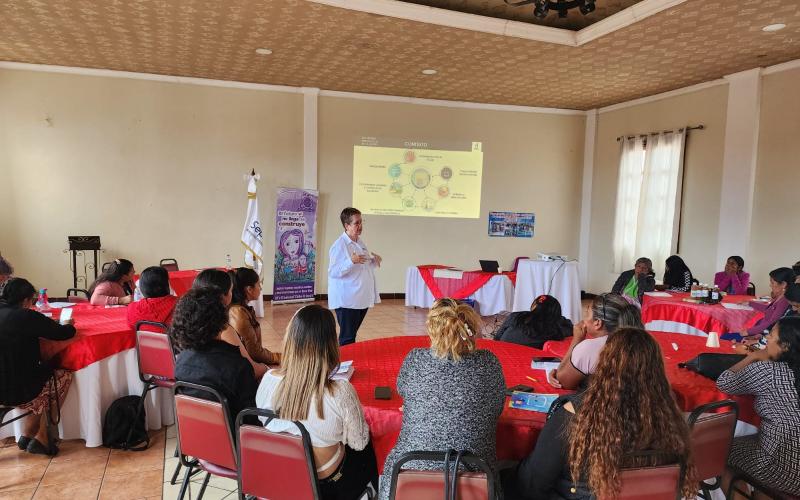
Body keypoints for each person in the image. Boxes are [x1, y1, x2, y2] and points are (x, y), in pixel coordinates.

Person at [507, 328, 697, 499]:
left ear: (604, 365)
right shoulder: (670, 418)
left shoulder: (574, 415)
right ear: (657, 370)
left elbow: (533, 485)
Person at [378, 298, 506, 500]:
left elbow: (402, 390)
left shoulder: (415, 360)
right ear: (471, 330)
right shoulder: (489, 363)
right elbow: (497, 408)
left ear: (432, 330)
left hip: (409, 475)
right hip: (475, 479)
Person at [256, 305, 378, 500]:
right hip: (326, 484)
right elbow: (358, 442)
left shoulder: (268, 380)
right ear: (330, 345)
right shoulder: (340, 391)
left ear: (291, 340)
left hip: (280, 474)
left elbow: (265, 422)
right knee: (368, 448)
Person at [718, 317, 800, 497]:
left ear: (785, 346)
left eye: (772, 335)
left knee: (719, 451)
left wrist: (753, 356)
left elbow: (724, 382)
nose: (767, 338)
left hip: (781, 467)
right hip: (791, 461)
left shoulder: (770, 372)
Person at [0, 278, 76, 456]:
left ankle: (28, 434)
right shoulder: (26, 316)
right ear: (26, 300)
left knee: (38, 377)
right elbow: (63, 333)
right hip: (18, 388)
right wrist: (68, 325)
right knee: (61, 376)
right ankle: (41, 436)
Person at [170, 287, 258, 430]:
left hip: (194, 433)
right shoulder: (238, 366)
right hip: (233, 438)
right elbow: (251, 420)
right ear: (220, 321)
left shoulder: (181, 360)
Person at [547, 293, 643, 391]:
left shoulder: (589, 348)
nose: (583, 318)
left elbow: (562, 382)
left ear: (597, 323)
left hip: (607, 401)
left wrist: (576, 339)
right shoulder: (642, 343)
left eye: (587, 313)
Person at [191, 268, 267, 378]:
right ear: (223, 296)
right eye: (231, 290)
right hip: (220, 386)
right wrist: (267, 368)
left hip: (189, 385)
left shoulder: (186, 326)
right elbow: (252, 370)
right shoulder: (223, 329)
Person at [328, 207, 381, 346]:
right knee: (348, 338)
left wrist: (374, 261)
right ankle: (344, 359)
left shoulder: (359, 242)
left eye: (361, 222)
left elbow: (362, 266)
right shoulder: (339, 245)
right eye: (356, 223)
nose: (360, 226)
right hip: (347, 300)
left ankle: (344, 357)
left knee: (350, 335)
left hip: (360, 298)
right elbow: (333, 272)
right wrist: (351, 261)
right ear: (347, 226)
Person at [722, 267, 794, 342]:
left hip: (762, 334)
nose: (770, 285)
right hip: (760, 330)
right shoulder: (781, 297)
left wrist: (749, 332)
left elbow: (772, 322)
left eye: (772, 282)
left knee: (725, 337)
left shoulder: (784, 301)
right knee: (727, 335)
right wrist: (749, 303)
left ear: (783, 284)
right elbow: (768, 309)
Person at [228, 267, 281, 365]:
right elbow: (255, 353)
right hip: (243, 366)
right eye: (258, 284)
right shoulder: (238, 313)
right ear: (249, 289)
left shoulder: (240, 309)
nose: (260, 288)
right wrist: (279, 357)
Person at [494, 295, 572, 349]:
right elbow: (571, 328)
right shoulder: (555, 330)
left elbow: (497, 338)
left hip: (501, 355)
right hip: (526, 362)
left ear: (534, 306)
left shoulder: (515, 316)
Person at [126, 266, 178, 331]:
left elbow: (132, 327)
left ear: (142, 287)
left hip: (144, 338)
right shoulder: (181, 304)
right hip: (174, 337)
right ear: (167, 285)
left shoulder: (132, 308)